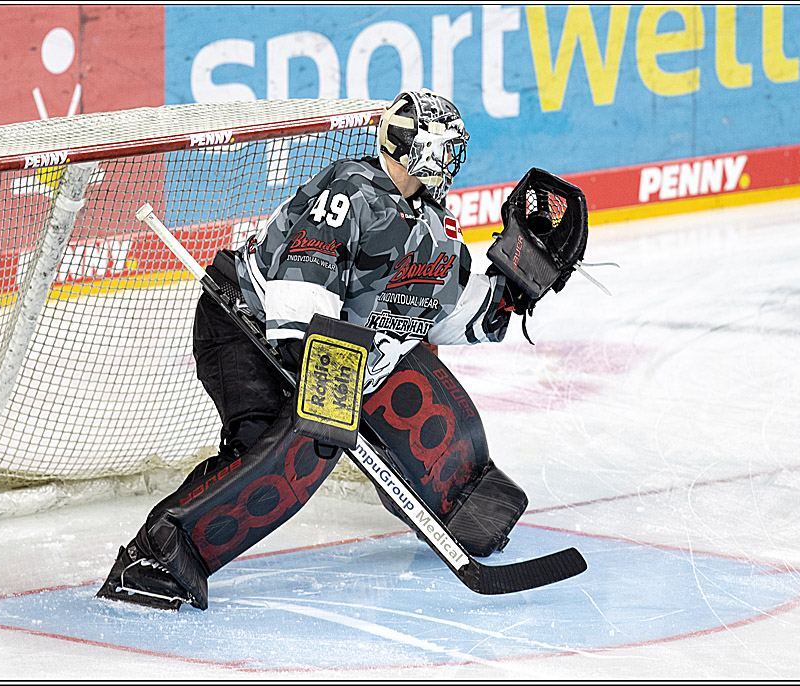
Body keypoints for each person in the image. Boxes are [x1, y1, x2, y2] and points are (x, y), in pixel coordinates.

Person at [96, 89, 580, 610]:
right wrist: (324, 381)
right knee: (272, 450)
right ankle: (154, 558)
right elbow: (303, 282)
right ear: (416, 148)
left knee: (426, 414)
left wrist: (517, 285)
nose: (452, 161)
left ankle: (463, 503)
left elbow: (461, 313)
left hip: (346, 356)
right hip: (248, 328)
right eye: (445, 148)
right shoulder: (352, 190)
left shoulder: (435, 229)